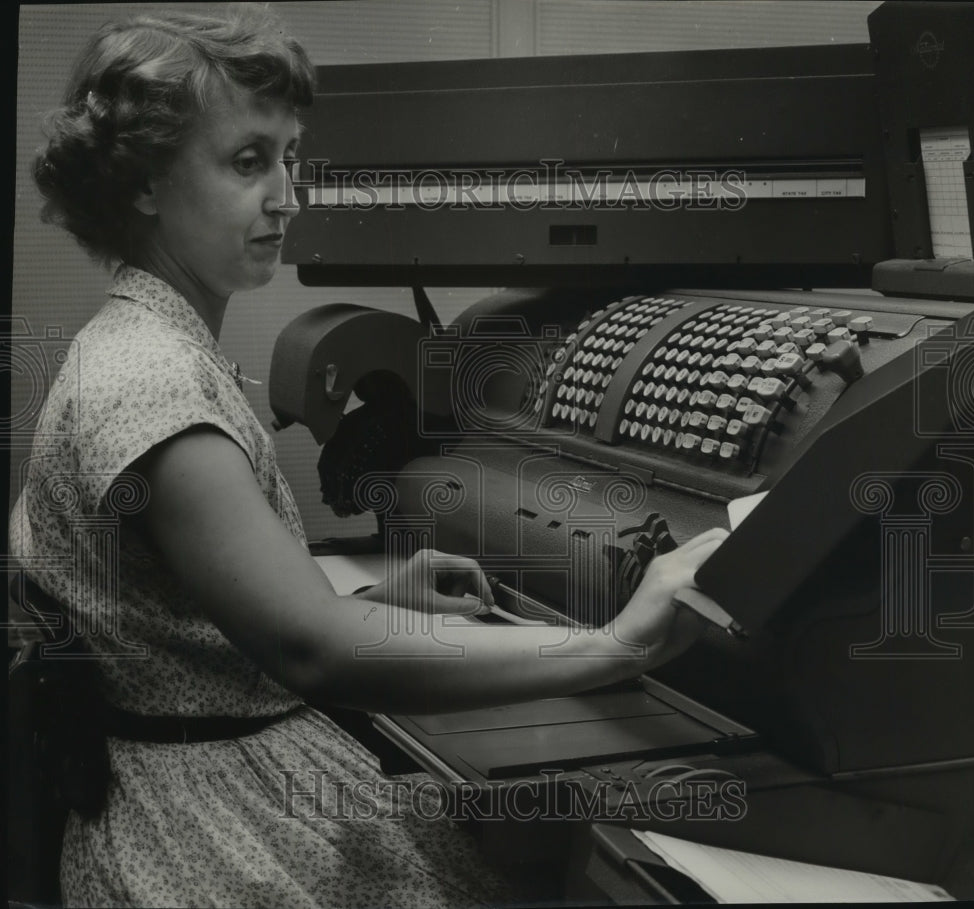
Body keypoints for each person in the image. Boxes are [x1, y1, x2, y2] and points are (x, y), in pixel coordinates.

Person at [10, 5, 729, 907]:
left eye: (290, 158)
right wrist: (618, 644)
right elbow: (315, 652)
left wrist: (380, 599)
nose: (286, 195)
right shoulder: (151, 382)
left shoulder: (143, 342)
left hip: (188, 794)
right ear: (145, 182)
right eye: (246, 162)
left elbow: (184, 620)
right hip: (211, 833)